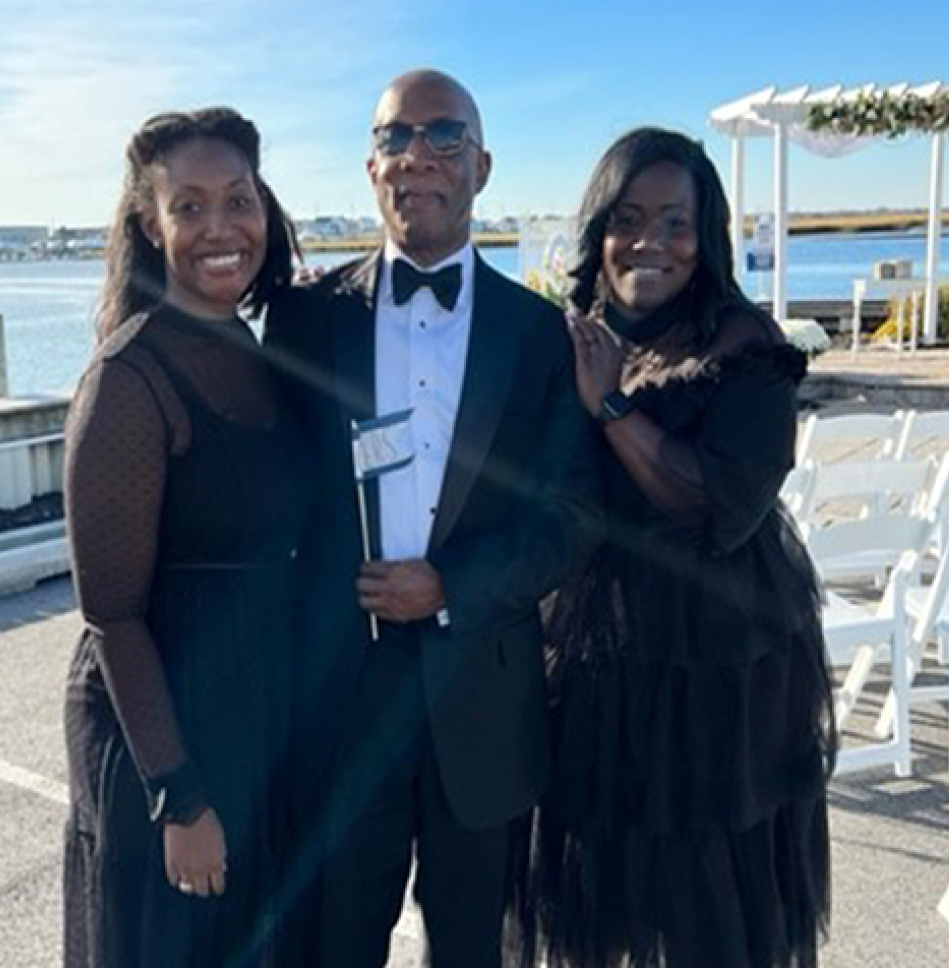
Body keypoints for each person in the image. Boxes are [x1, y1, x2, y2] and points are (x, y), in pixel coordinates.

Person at [265, 69, 605, 968]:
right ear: (370, 167)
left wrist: (449, 585)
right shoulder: (303, 319)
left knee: (470, 951)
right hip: (343, 697)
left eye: (444, 135)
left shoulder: (540, 334)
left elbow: (572, 517)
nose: (416, 155)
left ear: (482, 167)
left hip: (483, 696)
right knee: (334, 946)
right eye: (394, 137)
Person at [512, 128, 836, 968]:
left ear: (705, 235)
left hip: (711, 653)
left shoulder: (744, 344)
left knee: (702, 891)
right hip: (596, 644)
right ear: (599, 232)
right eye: (627, 219)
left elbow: (717, 506)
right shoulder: (583, 333)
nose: (649, 242)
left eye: (674, 222)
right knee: (602, 875)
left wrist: (613, 409)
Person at [61, 107, 312, 968]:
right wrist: (179, 797)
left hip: (253, 711)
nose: (221, 227)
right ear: (150, 225)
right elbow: (112, 615)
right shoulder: (129, 380)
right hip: (167, 735)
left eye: (239, 200)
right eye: (190, 207)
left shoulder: (251, 346)